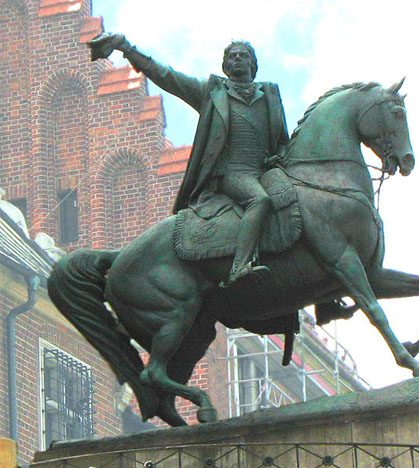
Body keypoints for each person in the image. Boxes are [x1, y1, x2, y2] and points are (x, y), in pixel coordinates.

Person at [88, 34, 289, 286]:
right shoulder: (212, 92)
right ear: (225, 66)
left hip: (265, 171)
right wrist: (127, 49)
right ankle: (240, 266)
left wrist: (279, 157)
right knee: (260, 201)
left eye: (243, 55)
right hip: (232, 173)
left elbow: (282, 139)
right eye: (232, 56)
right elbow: (167, 76)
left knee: (307, 202)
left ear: (253, 64)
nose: (237, 59)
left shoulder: (269, 95)